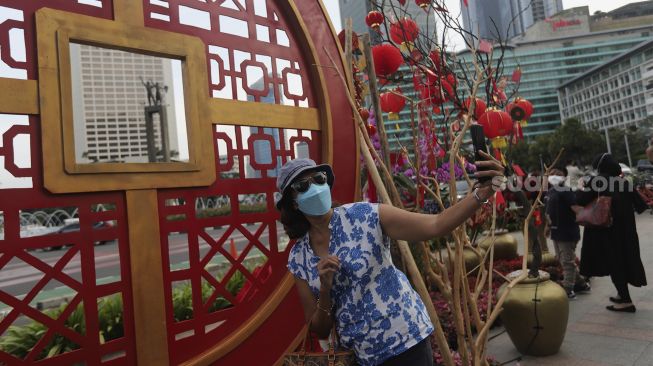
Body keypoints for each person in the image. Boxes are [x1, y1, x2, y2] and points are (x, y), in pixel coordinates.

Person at [278, 155, 505, 366]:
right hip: (360, 357)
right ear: (294, 202)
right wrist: (325, 289)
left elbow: (435, 225)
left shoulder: (366, 215)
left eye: (319, 179)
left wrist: (480, 195)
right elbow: (318, 328)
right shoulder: (299, 258)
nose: (315, 188)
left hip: (407, 342)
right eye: (303, 186)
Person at [576, 153, 648, 313]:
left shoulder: (597, 181)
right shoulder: (623, 182)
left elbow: (580, 199)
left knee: (614, 263)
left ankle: (626, 301)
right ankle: (622, 296)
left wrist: (581, 187)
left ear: (600, 167)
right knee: (623, 261)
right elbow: (642, 206)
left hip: (606, 231)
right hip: (627, 232)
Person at [545, 168, 590, 299]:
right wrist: (547, 227)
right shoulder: (550, 192)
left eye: (558, 174)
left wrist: (589, 217)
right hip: (556, 231)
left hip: (567, 231)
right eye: (552, 174)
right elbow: (549, 211)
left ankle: (568, 289)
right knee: (562, 259)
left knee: (567, 261)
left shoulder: (566, 191)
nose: (554, 176)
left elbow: (576, 208)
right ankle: (582, 284)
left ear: (564, 178)